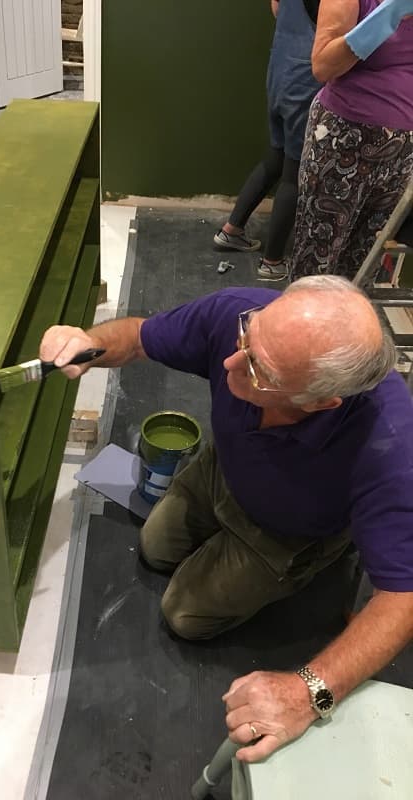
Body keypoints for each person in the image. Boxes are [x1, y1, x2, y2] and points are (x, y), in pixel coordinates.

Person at [39, 276, 413, 762]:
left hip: (289, 530)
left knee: (184, 616)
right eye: (247, 338)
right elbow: (136, 336)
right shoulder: (243, 316)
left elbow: (403, 594)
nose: (233, 361)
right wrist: (88, 344)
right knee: (155, 546)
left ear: (322, 402)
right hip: (229, 467)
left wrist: (308, 693)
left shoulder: (390, 447)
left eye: (261, 370)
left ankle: (325, 555)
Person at [289, 0, 413, 281]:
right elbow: (323, 66)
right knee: (316, 258)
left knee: (365, 261)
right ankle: (303, 325)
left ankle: (349, 324)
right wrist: (387, 15)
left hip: (402, 150)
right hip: (343, 139)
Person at [214, 0, 322, 281]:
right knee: (293, 173)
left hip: (281, 68)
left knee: (275, 156)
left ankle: (231, 230)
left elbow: (278, 8)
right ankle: (272, 261)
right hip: (305, 75)